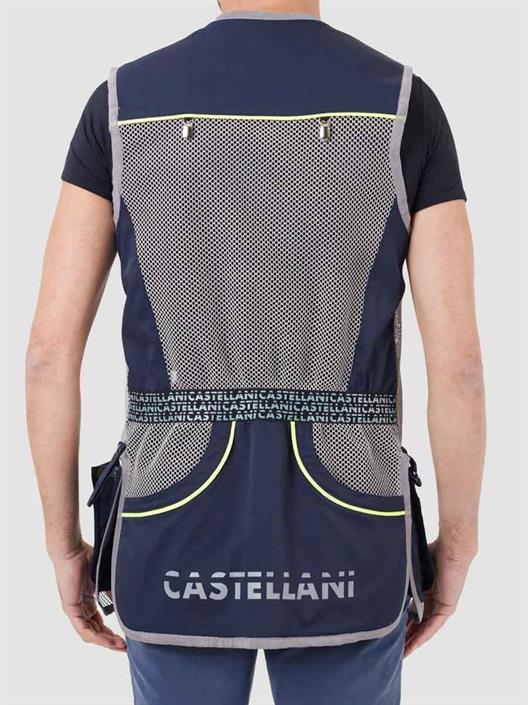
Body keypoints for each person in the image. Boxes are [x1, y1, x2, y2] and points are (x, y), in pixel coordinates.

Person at [25, 1, 486, 703]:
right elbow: (460, 370)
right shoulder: (401, 104)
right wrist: (456, 544)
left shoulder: (121, 105)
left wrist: (64, 545)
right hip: (352, 525)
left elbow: (47, 357)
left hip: (170, 522)